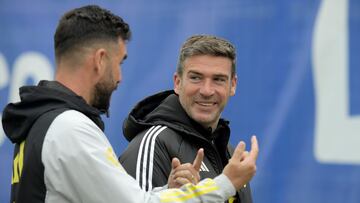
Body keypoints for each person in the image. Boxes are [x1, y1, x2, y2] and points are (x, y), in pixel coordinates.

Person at [2, 5, 259, 203]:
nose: (119, 77)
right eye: (120, 62)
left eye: (218, 80)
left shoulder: (44, 121)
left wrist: (168, 192)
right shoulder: (69, 128)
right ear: (100, 60)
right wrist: (225, 183)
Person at [120, 35, 253, 202]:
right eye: (196, 77)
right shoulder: (153, 144)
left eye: (218, 79)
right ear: (177, 82)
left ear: (232, 85)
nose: (206, 91)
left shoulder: (230, 154)